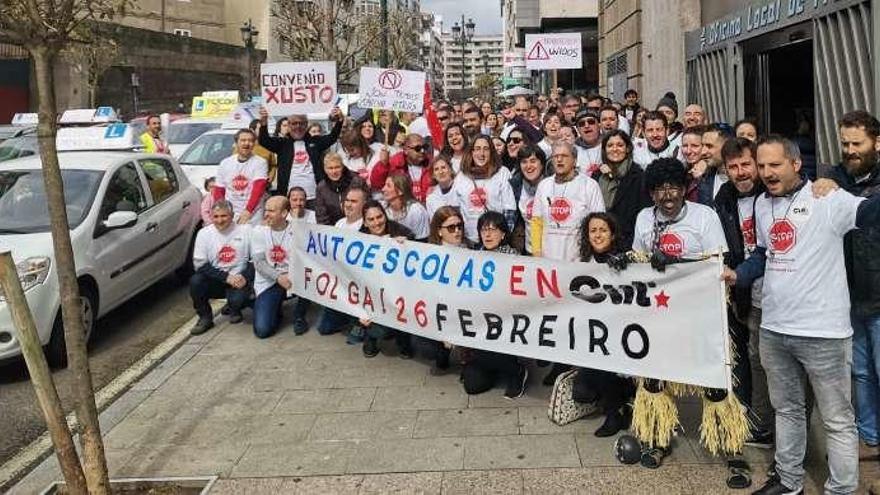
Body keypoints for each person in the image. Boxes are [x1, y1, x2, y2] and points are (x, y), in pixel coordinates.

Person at [724, 135, 880, 495]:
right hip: (775, 328)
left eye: (774, 165)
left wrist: (840, 182)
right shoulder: (762, 204)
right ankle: (789, 481)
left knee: (837, 420)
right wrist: (739, 274)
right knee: (788, 411)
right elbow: (765, 253)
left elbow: (870, 213)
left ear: (796, 164)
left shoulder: (827, 197)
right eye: (761, 166)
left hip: (823, 332)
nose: (766, 173)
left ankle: (840, 489)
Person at [825, 110, 880, 461]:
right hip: (849, 296)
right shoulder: (835, 177)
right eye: (845, 143)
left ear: (877, 142)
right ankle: (870, 436)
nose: (849, 150)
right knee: (860, 372)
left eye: (857, 143)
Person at [714, 137, 774, 453]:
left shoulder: (774, 195)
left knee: (768, 362)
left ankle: (765, 424)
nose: (741, 172)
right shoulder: (723, 200)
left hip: (777, 293)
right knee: (752, 360)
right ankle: (758, 422)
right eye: (733, 167)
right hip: (745, 295)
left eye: (746, 164)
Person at [571, 212, 636, 437]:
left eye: (603, 230)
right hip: (593, 336)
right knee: (581, 391)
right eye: (593, 231)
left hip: (621, 336)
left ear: (613, 234)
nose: (598, 235)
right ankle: (619, 401)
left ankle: (615, 411)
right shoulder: (581, 263)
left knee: (611, 371)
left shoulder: (627, 261)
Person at [460, 211, 529, 399]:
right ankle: (492, 366)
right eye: (484, 230)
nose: (488, 234)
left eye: (493, 229)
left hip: (504, 324)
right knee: (472, 386)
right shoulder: (474, 257)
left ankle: (517, 371)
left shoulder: (514, 259)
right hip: (480, 325)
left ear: (503, 234)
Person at [359, 200, 416, 358]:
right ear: (364, 222)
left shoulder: (402, 232)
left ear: (385, 216)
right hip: (372, 293)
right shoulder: (357, 240)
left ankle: (403, 340)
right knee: (377, 329)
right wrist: (359, 310)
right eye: (371, 219)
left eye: (379, 217)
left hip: (398, 292)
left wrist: (407, 246)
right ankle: (369, 337)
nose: (377, 222)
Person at [531, 142, 605, 262]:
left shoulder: (590, 185)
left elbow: (599, 224)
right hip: (547, 261)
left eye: (564, 156)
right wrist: (537, 253)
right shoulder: (544, 185)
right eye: (555, 156)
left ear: (574, 161)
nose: (559, 159)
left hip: (579, 262)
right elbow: (536, 222)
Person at [189, 200, 252, 335]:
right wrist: (226, 277)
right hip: (218, 279)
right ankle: (205, 317)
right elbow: (200, 265)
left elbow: (256, 260)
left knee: (238, 300)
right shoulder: (204, 234)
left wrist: (244, 276)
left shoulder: (246, 230)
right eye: (216, 217)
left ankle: (234, 307)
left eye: (224, 216)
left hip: (240, 280)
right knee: (196, 281)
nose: (219, 220)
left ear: (232, 215)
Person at [258, 105, 343, 198]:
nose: (298, 126)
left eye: (301, 123)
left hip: (315, 196)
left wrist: (339, 121)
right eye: (294, 123)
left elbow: (332, 137)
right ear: (289, 125)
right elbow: (264, 141)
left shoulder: (315, 142)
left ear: (306, 125)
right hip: (289, 197)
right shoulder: (282, 144)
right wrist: (263, 123)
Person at [425, 206, 470, 374]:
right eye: (451, 228)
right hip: (439, 314)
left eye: (460, 226)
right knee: (434, 354)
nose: (457, 231)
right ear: (439, 231)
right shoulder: (429, 255)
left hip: (463, 313)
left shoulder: (470, 250)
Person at [592, 130, 651, 248]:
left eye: (620, 145)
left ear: (628, 148)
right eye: (610, 145)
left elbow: (644, 212)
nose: (615, 149)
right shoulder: (597, 176)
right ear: (604, 150)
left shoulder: (639, 176)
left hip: (627, 241)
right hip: (599, 242)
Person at [455, 135, 517, 244]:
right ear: (472, 152)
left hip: (494, 241)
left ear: (491, 152)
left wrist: (502, 238)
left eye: (486, 149)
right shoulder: (461, 176)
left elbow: (510, 209)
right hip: (469, 239)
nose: (481, 154)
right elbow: (456, 208)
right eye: (477, 149)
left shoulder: (502, 172)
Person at [250, 196, 294, 339]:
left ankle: (301, 314)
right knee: (262, 330)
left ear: (284, 213)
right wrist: (279, 277)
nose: (266, 214)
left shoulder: (298, 230)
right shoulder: (258, 231)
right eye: (266, 210)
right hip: (270, 282)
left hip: (294, 278)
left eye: (271, 211)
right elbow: (259, 263)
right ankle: (274, 310)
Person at [213, 128, 268, 226]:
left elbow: (259, 188)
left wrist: (248, 211)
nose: (246, 143)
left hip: (253, 214)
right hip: (230, 213)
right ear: (236, 143)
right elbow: (219, 190)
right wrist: (222, 211)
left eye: (250, 141)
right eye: (243, 140)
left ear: (254, 144)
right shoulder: (225, 163)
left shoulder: (260, 162)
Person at [510, 145, 551, 255]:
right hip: (529, 250)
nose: (528, 166)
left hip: (553, 250)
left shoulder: (552, 185)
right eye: (524, 162)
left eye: (533, 161)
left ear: (542, 164)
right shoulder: (515, 185)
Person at [370, 134, 433, 203]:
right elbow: (377, 184)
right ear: (406, 150)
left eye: (425, 147)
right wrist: (383, 165)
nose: (422, 151)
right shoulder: (395, 164)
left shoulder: (431, 164)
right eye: (418, 148)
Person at [315, 152, 366, 226]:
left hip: (358, 225)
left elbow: (367, 205)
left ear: (342, 167)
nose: (334, 171)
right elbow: (321, 217)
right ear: (325, 170)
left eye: (337, 167)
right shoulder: (321, 187)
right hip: (334, 229)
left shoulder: (357, 181)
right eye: (330, 168)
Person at [382, 174, 430, 241]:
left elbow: (423, 241)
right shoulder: (383, 207)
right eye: (384, 185)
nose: (383, 189)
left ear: (400, 191)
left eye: (388, 186)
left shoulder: (416, 211)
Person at [695, 124, 731, 207]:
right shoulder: (704, 179)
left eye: (709, 146)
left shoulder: (742, 178)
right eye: (703, 146)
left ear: (727, 146)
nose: (703, 152)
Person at [574, 110, 603, 176]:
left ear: (599, 125)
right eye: (582, 124)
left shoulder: (609, 144)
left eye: (591, 122)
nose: (586, 126)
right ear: (578, 129)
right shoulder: (573, 149)